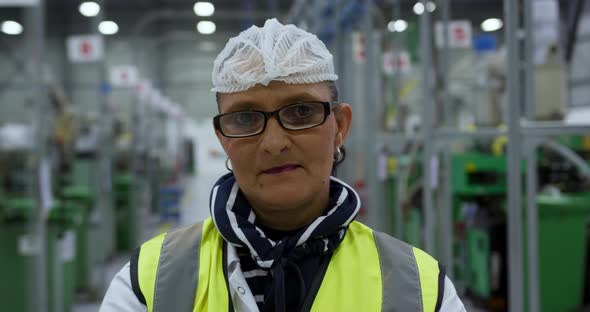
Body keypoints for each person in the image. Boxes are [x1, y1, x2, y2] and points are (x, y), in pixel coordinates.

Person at [100, 18, 466, 312]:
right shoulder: (148, 285)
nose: (275, 143)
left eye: (301, 111)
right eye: (245, 118)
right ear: (222, 137)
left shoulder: (419, 289)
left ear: (339, 126)